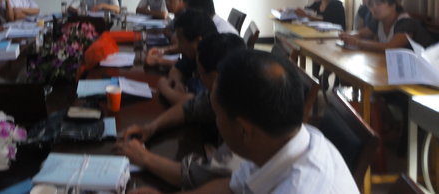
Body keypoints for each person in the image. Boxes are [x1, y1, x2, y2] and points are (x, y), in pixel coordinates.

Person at [129, 49, 359, 194]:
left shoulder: (301, 187)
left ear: (243, 130)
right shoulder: (285, 140)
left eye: (217, 114)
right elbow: (233, 186)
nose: (216, 121)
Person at [118, 34, 245, 189]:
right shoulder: (230, 87)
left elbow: (203, 177)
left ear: (214, 77)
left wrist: (145, 158)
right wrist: (150, 128)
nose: (198, 78)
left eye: (199, 74)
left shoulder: (246, 121)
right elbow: (190, 108)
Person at [158, 9, 217, 105]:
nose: (179, 46)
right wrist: (178, 82)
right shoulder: (195, 53)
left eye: (181, 41)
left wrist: (163, 86)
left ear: (198, 41)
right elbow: (176, 68)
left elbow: (192, 103)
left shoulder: (213, 61)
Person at [339, 0, 434, 51]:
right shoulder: (378, 21)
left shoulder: (406, 23)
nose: (374, 8)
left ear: (393, 6)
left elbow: (391, 47)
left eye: (378, 4)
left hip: (424, 66)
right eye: (371, 6)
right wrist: (347, 36)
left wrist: (357, 42)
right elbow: (362, 34)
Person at [146, 0, 189, 67]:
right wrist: (173, 36)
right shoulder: (178, 15)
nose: (167, 3)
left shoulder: (188, 17)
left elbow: (181, 45)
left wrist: (160, 57)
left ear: (183, 0)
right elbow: (166, 30)